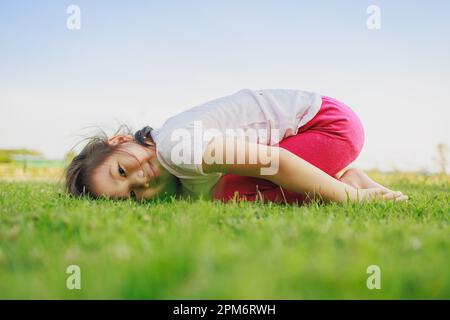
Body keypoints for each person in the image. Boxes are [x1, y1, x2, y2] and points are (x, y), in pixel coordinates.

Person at [65, 88, 408, 204]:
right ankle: (344, 180)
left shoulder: (177, 148)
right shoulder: (172, 146)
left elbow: (274, 162)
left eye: (122, 170)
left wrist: (347, 198)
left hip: (329, 128)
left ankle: (348, 185)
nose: (138, 181)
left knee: (223, 196)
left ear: (121, 141)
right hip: (327, 121)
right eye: (133, 195)